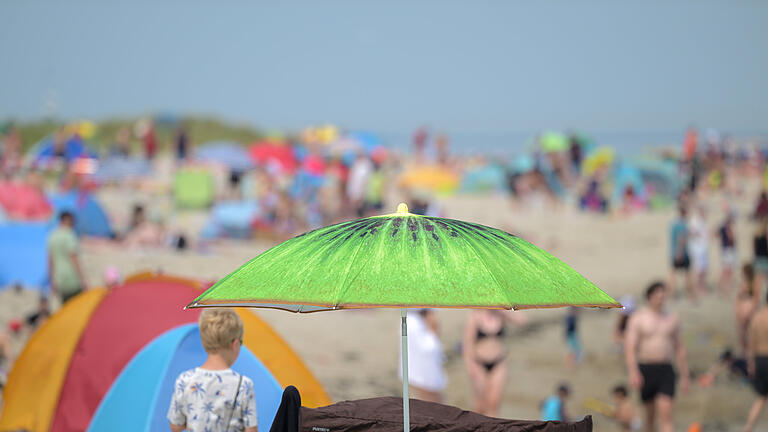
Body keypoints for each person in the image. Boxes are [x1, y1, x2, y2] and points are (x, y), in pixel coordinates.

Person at [168, 308, 257, 432]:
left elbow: (175, 426)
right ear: (235, 344)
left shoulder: (185, 380)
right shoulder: (244, 385)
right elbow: (251, 430)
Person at [625, 282, 690, 432]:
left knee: (666, 414)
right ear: (650, 297)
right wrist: (633, 372)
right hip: (646, 368)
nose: (661, 298)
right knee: (649, 417)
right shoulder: (639, 318)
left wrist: (685, 376)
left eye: (663, 295)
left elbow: (680, 348)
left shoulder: (672, 319)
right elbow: (630, 348)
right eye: (658, 295)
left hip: (666, 368)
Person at [463, 309, 527, 417]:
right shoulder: (475, 315)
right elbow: (467, 343)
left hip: (499, 363)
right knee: (480, 405)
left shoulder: (500, 314)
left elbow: (522, 321)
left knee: (494, 403)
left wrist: (504, 311)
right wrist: (470, 366)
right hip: (479, 364)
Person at [399, 309, 446, 403]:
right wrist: (434, 330)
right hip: (422, 375)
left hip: (416, 372)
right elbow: (429, 349)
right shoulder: (413, 323)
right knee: (435, 405)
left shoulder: (411, 319)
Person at [47, 211, 86, 304]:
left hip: (60, 279)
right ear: (67, 220)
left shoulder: (52, 236)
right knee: (77, 307)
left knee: (66, 309)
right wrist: (83, 279)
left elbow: (50, 260)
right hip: (72, 278)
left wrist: (52, 280)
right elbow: (73, 258)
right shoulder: (69, 234)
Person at [745, 296, 768, 432]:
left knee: (761, 397)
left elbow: (751, 343)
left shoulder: (756, 317)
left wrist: (751, 363)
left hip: (759, 359)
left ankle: (749, 427)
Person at [669, 206, 693, 299]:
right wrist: (680, 253)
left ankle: (673, 293)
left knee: (673, 273)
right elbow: (681, 239)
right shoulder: (683, 224)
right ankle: (688, 293)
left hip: (675, 252)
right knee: (686, 274)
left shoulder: (674, 224)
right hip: (682, 253)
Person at [737, 264, 759, 356]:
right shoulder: (745, 282)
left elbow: (755, 298)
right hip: (744, 306)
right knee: (742, 331)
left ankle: (749, 350)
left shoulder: (754, 282)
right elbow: (739, 297)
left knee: (749, 331)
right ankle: (744, 350)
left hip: (748, 307)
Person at [688, 205, 710, 297]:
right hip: (697, 248)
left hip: (703, 248)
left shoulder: (704, 222)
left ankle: (701, 286)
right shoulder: (694, 221)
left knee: (704, 268)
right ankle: (697, 287)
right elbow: (691, 233)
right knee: (698, 269)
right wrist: (698, 234)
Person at [718, 213, 738, 296]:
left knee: (726, 270)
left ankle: (722, 287)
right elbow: (731, 238)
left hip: (725, 250)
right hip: (728, 250)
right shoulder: (727, 228)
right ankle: (725, 288)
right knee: (728, 270)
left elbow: (715, 234)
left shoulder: (722, 227)